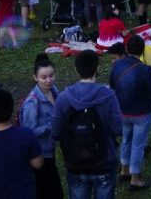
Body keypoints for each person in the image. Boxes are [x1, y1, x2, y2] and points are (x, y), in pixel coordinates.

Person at [51, 50, 123, 199]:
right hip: (104, 161)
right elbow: (117, 128)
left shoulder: (63, 98)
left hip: (75, 161)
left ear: (76, 69)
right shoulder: (109, 96)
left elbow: (55, 132)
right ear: (97, 69)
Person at [110, 36, 151, 192]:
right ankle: (135, 179)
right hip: (142, 113)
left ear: (126, 49)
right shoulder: (146, 69)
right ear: (143, 50)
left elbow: (112, 85)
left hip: (122, 111)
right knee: (138, 145)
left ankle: (124, 170)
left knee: (126, 140)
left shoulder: (117, 65)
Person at [19, 54, 63, 199]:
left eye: (51, 75)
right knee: (49, 191)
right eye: (44, 77)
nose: (49, 80)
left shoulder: (54, 91)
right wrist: (52, 125)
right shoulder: (32, 103)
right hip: (40, 154)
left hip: (50, 149)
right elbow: (29, 132)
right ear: (35, 77)